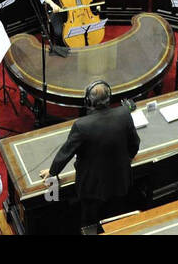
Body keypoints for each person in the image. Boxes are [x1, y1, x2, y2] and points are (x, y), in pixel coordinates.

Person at [39, 79, 140, 231]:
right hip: (120, 181)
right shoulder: (124, 113)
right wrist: (127, 158)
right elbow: (134, 144)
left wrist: (53, 172)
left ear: (87, 102)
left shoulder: (81, 126)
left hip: (93, 189)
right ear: (109, 98)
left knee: (89, 225)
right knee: (116, 221)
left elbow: (66, 152)